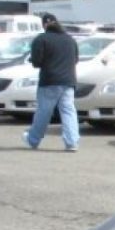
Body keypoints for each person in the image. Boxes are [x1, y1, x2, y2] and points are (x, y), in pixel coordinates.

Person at [22, 13, 80, 152]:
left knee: (44, 112)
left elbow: (37, 62)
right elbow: (76, 59)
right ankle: (72, 142)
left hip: (49, 81)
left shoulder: (41, 39)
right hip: (68, 81)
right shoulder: (70, 40)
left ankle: (33, 139)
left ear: (44, 25)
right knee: (68, 111)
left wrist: (35, 60)